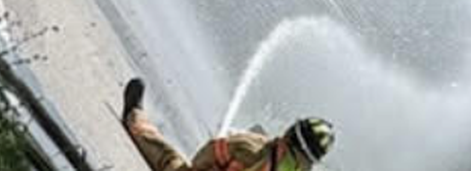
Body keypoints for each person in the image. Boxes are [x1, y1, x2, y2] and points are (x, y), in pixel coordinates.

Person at [123, 78, 335, 171]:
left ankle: (135, 117)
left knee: (167, 158)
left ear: (290, 133)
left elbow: (205, 155)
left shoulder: (254, 146)